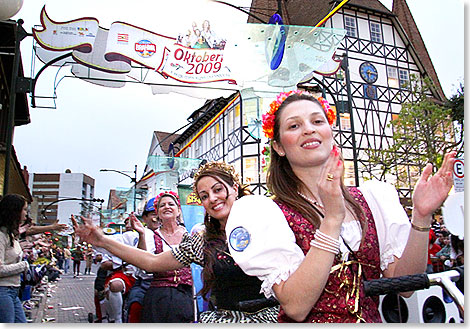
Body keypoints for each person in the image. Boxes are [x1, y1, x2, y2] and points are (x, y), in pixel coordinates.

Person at [224, 90, 457, 323]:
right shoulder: (266, 213)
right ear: (279, 147)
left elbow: (405, 285)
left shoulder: (372, 200)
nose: (309, 129)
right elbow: (296, 306)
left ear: (330, 132)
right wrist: (332, 219)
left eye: (317, 121)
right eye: (294, 126)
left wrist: (421, 217)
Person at [73, 161, 279, 323]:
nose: (213, 199)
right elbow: (151, 262)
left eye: (218, 190)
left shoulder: (266, 222)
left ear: (234, 188)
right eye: (204, 196)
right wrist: (101, 240)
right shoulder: (203, 241)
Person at [132, 191, 194, 322]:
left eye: (171, 204)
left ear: (178, 211)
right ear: (158, 213)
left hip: (187, 293)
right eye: (162, 205)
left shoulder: (191, 233)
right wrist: (141, 235)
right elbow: (144, 266)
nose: (167, 207)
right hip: (160, 296)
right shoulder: (151, 236)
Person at [126, 197, 159, 323]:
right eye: (153, 214)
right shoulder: (140, 234)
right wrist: (141, 235)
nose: (156, 218)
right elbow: (142, 261)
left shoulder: (182, 233)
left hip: (172, 286)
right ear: (145, 218)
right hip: (146, 284)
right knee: (135, 306)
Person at [0, 194, 30, 323]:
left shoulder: (10, 235)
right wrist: (23, 265)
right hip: (3, 290)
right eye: (24, 210)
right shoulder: (1, 236)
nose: (25, 214)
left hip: (13, 290)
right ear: (14, 211)